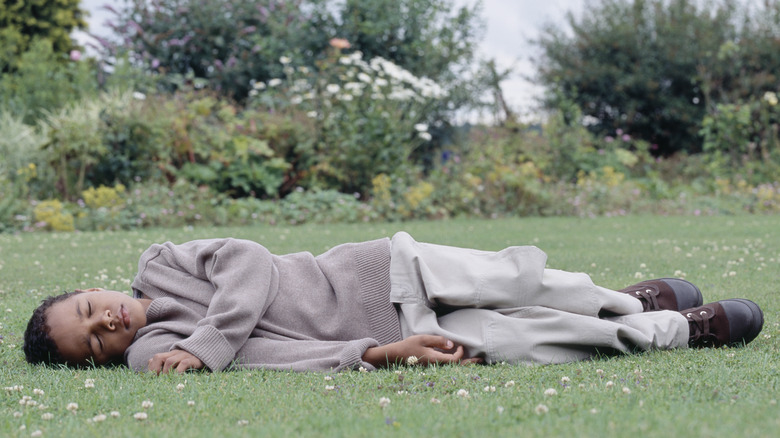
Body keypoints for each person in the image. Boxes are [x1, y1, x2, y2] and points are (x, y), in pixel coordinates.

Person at [23, 233, 764, 374]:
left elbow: (245, 259)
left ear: (97, 290)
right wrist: (377, 354)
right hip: (392, 330)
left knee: (524, 281)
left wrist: (211, 339)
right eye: (92, 343)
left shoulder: (161, 264)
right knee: (523, 341)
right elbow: (274, 358)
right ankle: (669, 330)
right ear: (104, 361)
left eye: (90, 308)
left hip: (378, 269)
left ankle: (619, 302)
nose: (105, 323)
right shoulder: (160, 356)